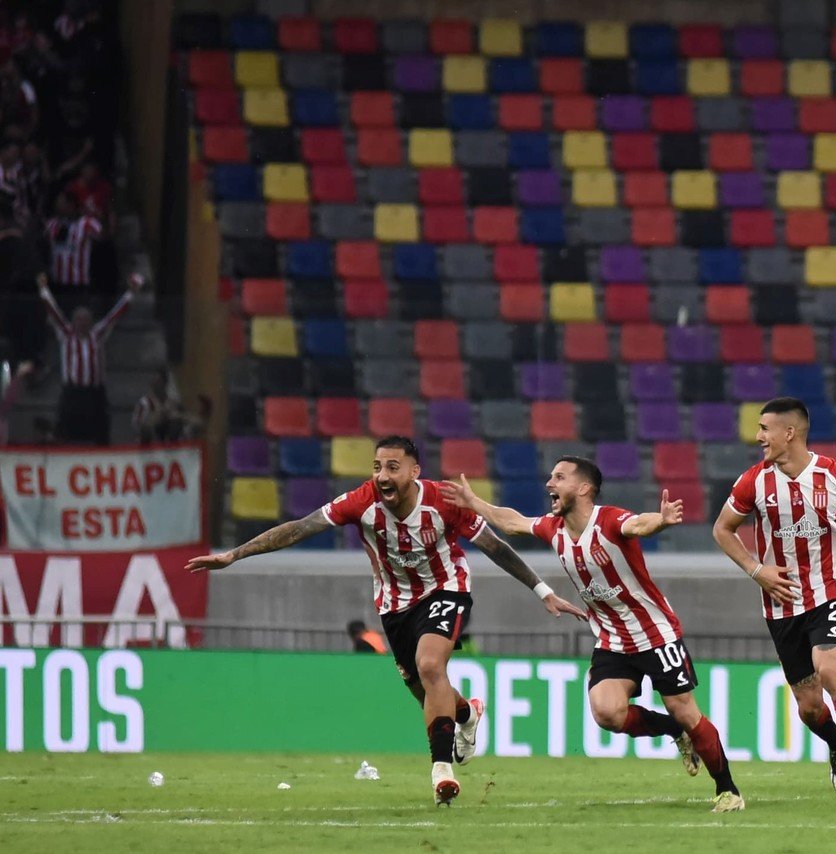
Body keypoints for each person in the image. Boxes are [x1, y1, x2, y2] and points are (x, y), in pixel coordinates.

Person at [187, 435, 588, 805]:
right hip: (394, 606)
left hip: (446, 589)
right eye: (377, 466)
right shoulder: (360, 502)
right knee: (424, 689)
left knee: (431, 666)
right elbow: (298, 529)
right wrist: (234, 555)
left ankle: (441, 772)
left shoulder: (444, 501)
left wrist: (542, 591)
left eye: (393, 467)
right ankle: (467, 713)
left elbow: (495, 547)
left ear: (415, 471)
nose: (382, 475)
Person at [442, 458, 746, 813]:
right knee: (607, 713)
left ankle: (728, 791)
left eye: (559, 477)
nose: (549, 484)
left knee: (686, 711)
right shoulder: (553, 528)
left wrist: (660, 521)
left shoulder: (609, 520)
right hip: (612, 640)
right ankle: (674, 732)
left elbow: (638, 524)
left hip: (654, 634)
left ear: (584, 488)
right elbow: (512, 523)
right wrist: (475, 502)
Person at [712, 396, 836, 797]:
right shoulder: (753, 481)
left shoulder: (835, 475)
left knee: (829, 670)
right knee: (810, 708)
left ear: (788, 433)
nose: (758, 437)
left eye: (764, 429)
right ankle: (835, 743)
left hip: (829, 591)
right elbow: (722, 529)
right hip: (781, 603)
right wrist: (756, 570)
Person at [37, 269, 137, 444]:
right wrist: (43, 289)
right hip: (72, 392)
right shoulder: (66, 333)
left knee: (100, 428)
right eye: (79, 320)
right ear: (73, 321)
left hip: (94, 392)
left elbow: (115, 314)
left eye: (86, 320)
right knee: (66, 430)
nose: (82, 324)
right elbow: (53, 311)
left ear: (91, 322)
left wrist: (131, 293)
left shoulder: (98, 334)